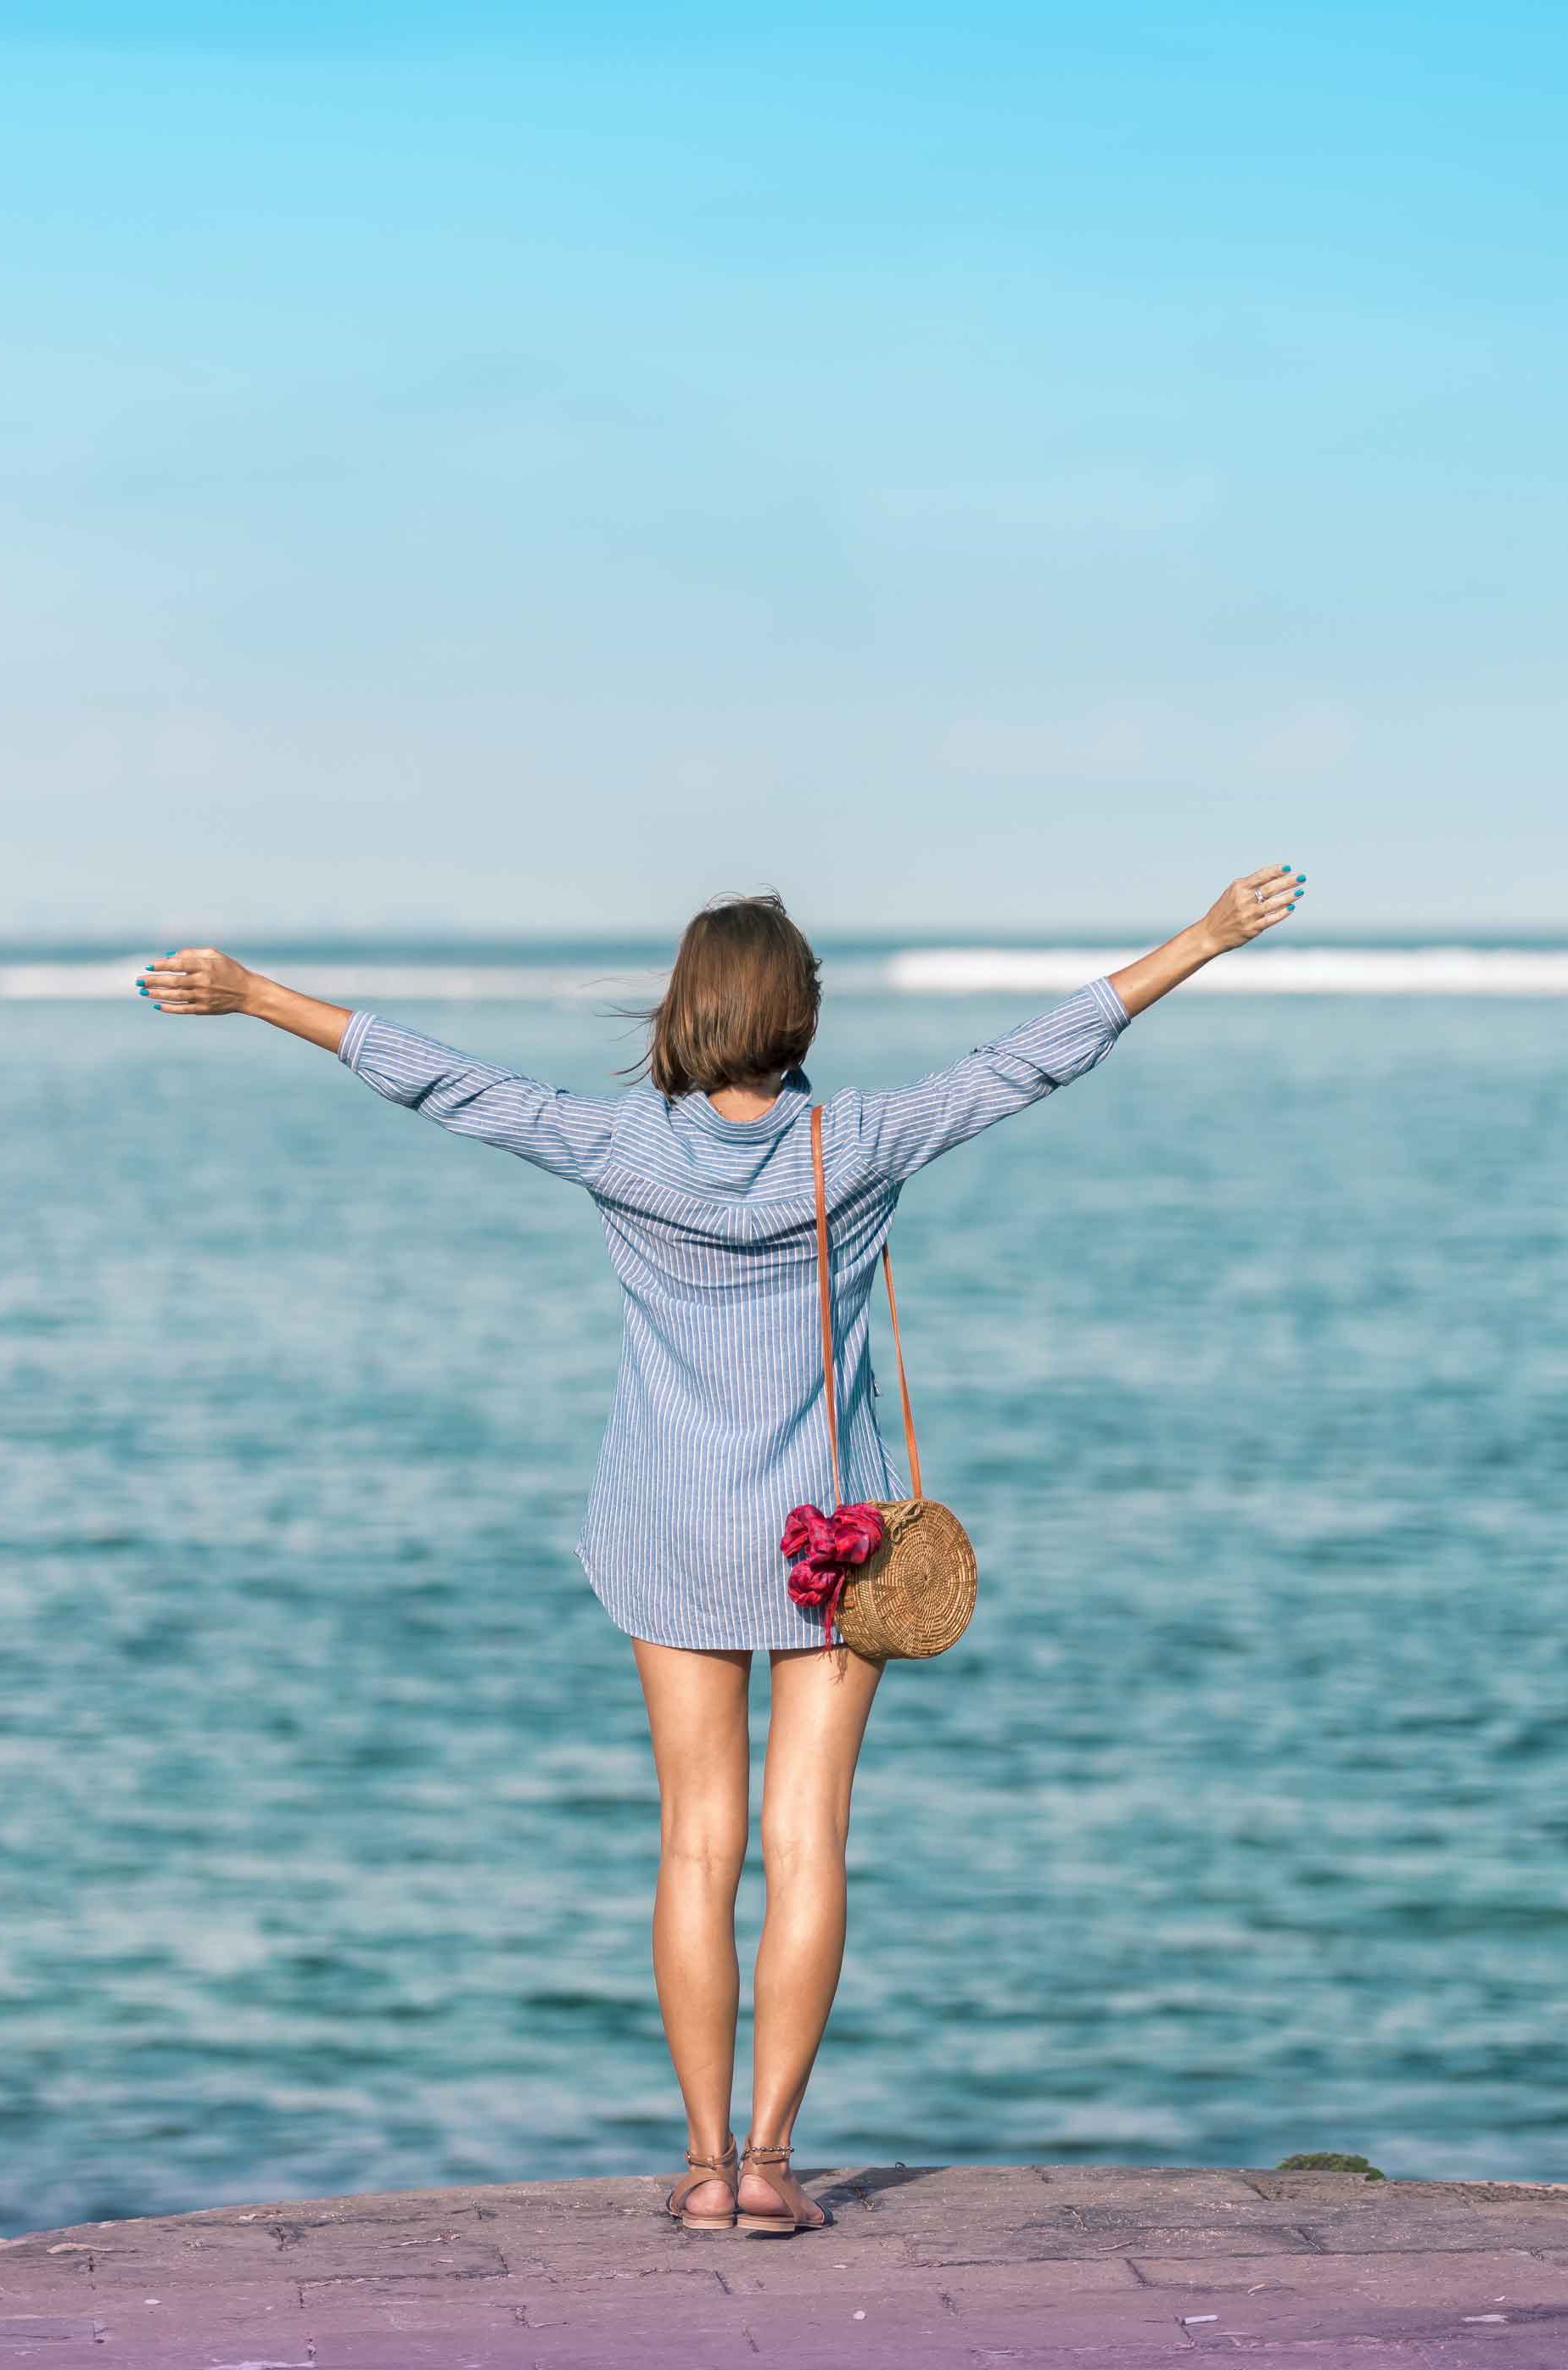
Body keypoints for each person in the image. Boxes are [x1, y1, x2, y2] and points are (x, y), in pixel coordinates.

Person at [134, 863, 1304, 2233]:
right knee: (805, 1845)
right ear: (798, 1014)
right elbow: (1034, 1057)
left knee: (697, 1846)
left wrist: (252, 992)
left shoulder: (616, 1143)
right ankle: (769, 2164)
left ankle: (700, 2170)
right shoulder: (859, 1138)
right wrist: (1202, 938)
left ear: (682, 1015)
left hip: (672, 1528)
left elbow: (438, 1079)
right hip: (835, 1539)